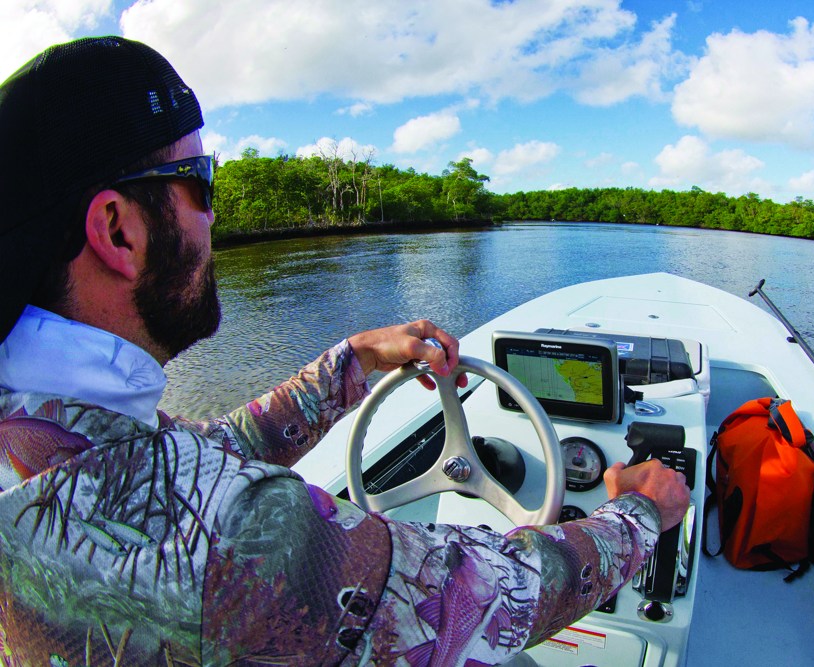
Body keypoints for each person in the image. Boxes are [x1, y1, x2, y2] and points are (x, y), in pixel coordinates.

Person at [0, 37, 690, 665]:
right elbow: (480, 597)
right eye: (199, 182)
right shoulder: (222, 541)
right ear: (117, 232)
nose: (215, 214)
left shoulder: (44, 424)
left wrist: (351, 362)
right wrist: (640, 513)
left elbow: (198, 454)